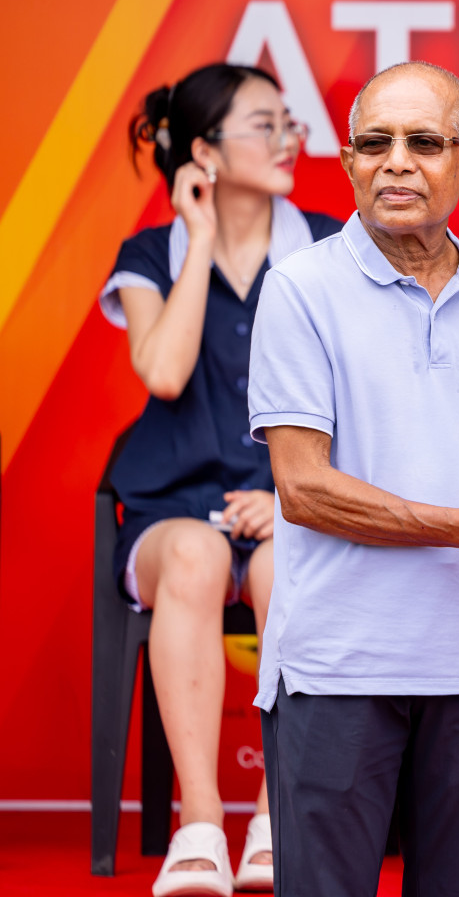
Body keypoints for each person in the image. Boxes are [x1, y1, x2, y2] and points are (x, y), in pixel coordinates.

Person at [246, 61, 459, 897]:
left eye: (423, 143)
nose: (397, 162)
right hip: (336, 667)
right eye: (375, 143)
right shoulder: (299, 289)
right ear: (349, 166)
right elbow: (304, 489)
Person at [102, 63, 340, 897]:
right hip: (173, 509)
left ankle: (276, 819)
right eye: (265, 125)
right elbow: (163, 375)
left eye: (289, 124)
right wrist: (199, 241)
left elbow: (358, 401)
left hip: (292, 503)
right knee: (201, 559)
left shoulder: (327, 245)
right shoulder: (150, 254)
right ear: (204, 150)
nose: (288, 141)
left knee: (288, 564)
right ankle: (200, 826)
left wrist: (292, 496)